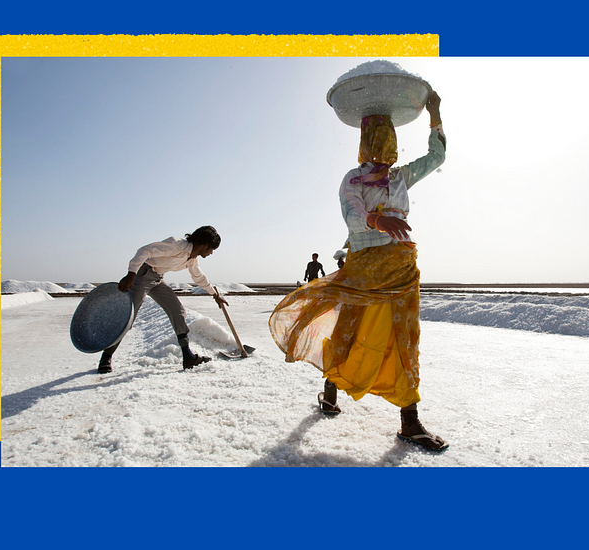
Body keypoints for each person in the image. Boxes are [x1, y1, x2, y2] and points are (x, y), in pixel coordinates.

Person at [269, 91, 449, 451]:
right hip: (364, 270)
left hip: (401, 268)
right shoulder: (353, 179)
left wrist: (435, 113)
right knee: (349, 332)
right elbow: (351, 212)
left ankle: (409, 421)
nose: (383, 144)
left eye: (388, 136)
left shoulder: (402, 176)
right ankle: (330, 393)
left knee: (404, 338)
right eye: (375, 137)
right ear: (364, 143)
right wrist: (376, 218)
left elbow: (437, 156)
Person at [97, 225, 228, 374]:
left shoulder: (192, 259)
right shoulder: (177, 245)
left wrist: (215, 294)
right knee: (129, 317)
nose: (211, 253)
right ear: (205, 245)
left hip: (157, 279)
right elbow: (145, 250)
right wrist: (131, 273)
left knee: (177, 311)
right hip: (143, 275)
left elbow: (199, 277)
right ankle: (106, 356)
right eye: (211, 249)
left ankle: (188, 357)